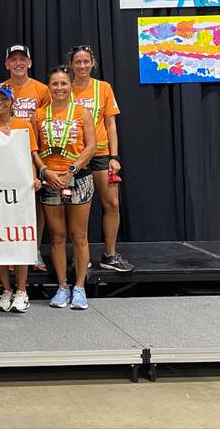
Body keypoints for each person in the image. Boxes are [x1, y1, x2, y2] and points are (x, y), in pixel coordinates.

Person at [32, 66, 96, 310]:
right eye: (55, 84)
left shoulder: (82, 112)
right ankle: (62, 286)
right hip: (50, 181)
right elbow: (34, 149)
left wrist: (71, 170)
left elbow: (91, 146)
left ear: (71, 85)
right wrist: (45, 171)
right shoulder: (38, 115)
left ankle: (79, 287)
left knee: (79, 236)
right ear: (49, 87)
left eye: (63, 84)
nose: (59, 88)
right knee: (57, 237)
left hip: (77, 179)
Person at [68, 45, 134, 272]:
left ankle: (110, 255)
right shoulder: (63, 88)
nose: (82, 66)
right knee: (77, 208)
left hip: (101, 154)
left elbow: (111, 125)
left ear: (93, 63)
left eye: (86, 61)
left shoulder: (103, 88)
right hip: (75, 155)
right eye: (78, 62)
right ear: (71, 65)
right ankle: (79, 254)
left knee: (112, 203)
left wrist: (114, 156)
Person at [0, 83, 41, 313]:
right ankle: (6, 290)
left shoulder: (23, 126)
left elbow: (30, 156)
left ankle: (22, 290)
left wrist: (34, 179)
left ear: (12, 102)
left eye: (4, 99)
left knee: (19, 240)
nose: (0, 103)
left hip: (18, 192)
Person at [4, 44, 51, 271]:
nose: (18, 63)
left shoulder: (42, 90)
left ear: (30, 63)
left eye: (22, 59)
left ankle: (35, 250)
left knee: (35, 204)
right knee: (10, 203)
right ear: (7, 64)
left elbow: (51, 120)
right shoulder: (0, 89)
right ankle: (12, 250)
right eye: (13, 60)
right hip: (7, 156)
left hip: (35, 152)